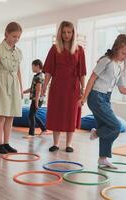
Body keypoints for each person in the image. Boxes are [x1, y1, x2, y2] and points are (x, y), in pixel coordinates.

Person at [79, 34, 126, 168]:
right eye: (123, 53)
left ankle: (102, 158)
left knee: (107, 127)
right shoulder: (106, 60)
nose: (125, 57)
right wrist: (83, 98)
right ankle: (96, 133)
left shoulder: (120, 66)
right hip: (96, 97)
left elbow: (122, 89)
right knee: (115, 126)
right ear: (116, 48)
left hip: (106, 98)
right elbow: (92, 79)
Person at [42, 21, 86, 153]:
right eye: (64, 32)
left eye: (69, 32)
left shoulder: (79, 50)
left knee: (70, 114)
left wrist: (83, 89)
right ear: (60, 33)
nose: (66, 35)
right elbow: (49, 70)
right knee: (57, 113)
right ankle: (55, 143)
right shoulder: (54, 49)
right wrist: (44, 87)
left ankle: (69, 144)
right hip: (57, 87)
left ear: (73, 33)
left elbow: (82, 72)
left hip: (73, 88)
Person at [0, 22, 23, 154]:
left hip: (14, 83)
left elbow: (18, 71)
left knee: (11, 115)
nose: (16, 39)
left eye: (18, 37)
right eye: (14, 36)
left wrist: (20, 88)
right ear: (6, 34)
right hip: (1, 82)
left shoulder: (18, 51)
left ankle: (6, 142)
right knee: (2, 114)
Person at [23, 59, 47, 138]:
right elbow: (32, 88)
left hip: (36, 99)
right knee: (32, 115)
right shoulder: (36, 76)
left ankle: (31, 133)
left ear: (37, 66)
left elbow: (38, 90)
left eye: (32, 66)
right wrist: (23, 92)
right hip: (35, 99)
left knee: (31, 115)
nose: (32, 68)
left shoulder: (39, 77)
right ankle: (43, 129)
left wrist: (36, 101)